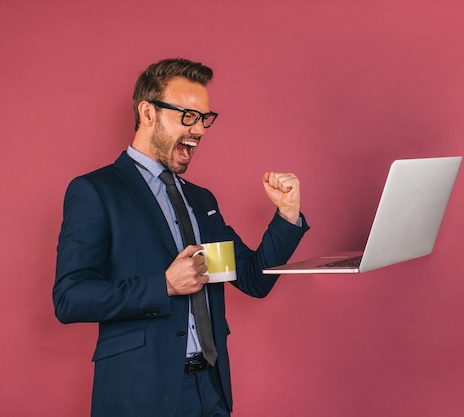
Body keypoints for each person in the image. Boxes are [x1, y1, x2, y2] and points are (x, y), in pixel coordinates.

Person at [53, 58, 309, 417]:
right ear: (148, 113)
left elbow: (252, 279)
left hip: (210, 390)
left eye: (204, 118)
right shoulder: (96, 191)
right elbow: (69, 298)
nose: (200, 129)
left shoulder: (200, 200)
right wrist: (164, 285)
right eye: (187, 115)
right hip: (139, 394)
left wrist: (287, 216)